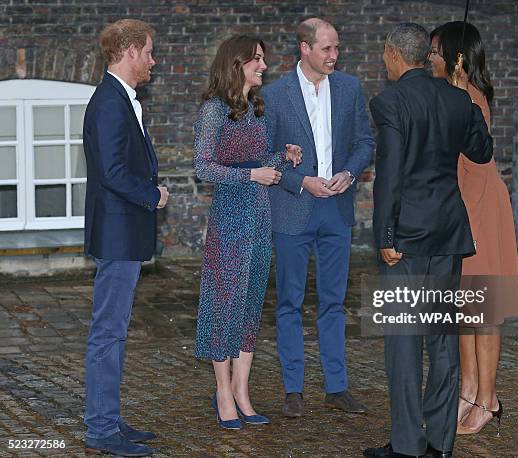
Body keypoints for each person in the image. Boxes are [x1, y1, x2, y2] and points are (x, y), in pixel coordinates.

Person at [364, 23, 493, 458]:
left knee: (403, 342)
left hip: (406, 241)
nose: (384, 61)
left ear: (395, 55)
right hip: (449, 236)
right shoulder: (458, 99)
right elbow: (482, 151)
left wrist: (384, 234)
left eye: (384, 54)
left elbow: (391, 177)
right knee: (441, 339)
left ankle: (407, 445)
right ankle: (440, 442)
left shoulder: (390, 102)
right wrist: (465, 103)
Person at [261, 18, 374, 417]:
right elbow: (264, 156)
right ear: (304, 49)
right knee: (289, 302)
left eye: (337, 48)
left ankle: (336, 387)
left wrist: (349, 172)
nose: (334, 56)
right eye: (327, 49)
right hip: (293, 208)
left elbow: (365, 141)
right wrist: (301, 181)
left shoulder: (349, 88)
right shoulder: (274, 95)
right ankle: (294, 389)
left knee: (334, 302)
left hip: (337, 209)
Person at [193, 35, 302, 430]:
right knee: (224, 306)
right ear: (235, 63)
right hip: (229, 221)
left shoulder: (256, 109)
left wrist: (281, 159)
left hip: (259, 219)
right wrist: (251, 174)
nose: (263, 66)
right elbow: (203, 167)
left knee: (250, 306)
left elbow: (257, 164)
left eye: (263, 59)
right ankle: (222, 393)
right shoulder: (213, 111)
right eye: (256, 59)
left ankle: (242, 391)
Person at [429, 21, 518, 436]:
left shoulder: (469, 98)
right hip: (464, 210)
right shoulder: (451, 94)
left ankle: (488, 398)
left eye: (436, 51)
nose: (430, 57)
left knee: (483, 310)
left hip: (481, 208)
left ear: (457, 58)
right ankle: (468, 390)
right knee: (464, 309)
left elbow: (474, 162)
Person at [83, 19, 168, 457]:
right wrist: (153, 194)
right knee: (107, 333)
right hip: (118, 233)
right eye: (150, 52)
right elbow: (114, 172)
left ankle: (109, 419)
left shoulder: (121, 100)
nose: (153, 61)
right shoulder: (111, 103)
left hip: (123, 233)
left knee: (113, 332)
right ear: (131, 51)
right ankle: (100, 430)